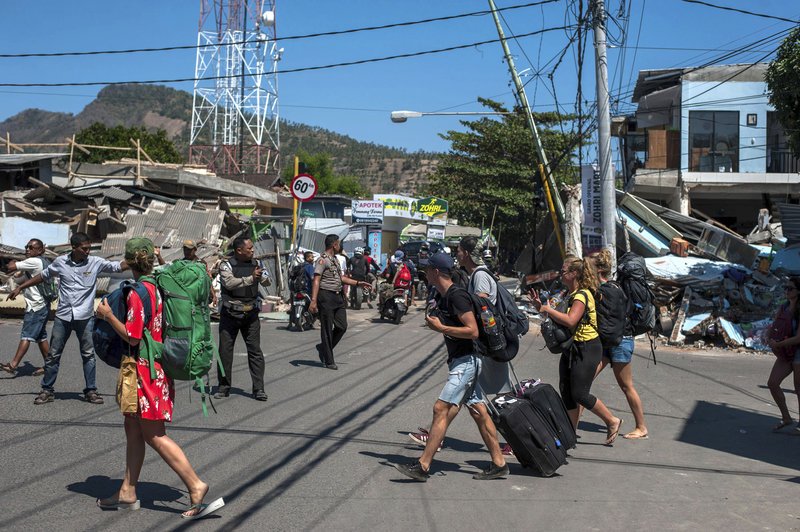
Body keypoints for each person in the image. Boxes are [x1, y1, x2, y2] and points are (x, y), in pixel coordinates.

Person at [95, 237, 224, 519]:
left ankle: (196, 485)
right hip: (154, 367)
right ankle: (128, 491)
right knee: (132, 428)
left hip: (145, 370)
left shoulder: (138, 291)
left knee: (153, 434)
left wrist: (106, 315)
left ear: (129, 262)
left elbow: (133, 333)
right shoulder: (159, 286)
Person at [394, 252, 508, 482]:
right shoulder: (445, 295)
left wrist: (441, 328)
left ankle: (423, 465)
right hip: (463, 360)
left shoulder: (457, 296)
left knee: (440, 409)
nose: (424, 273)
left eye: (427, 270)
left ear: (436, 272)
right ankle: (499, 463)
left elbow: (473, 331)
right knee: (479, 412)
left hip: (467, 362)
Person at [9, 232, 128, 406]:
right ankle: (47, 390)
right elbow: (42, 276)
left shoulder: (95, 262)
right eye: (84, 248)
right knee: (53, 355)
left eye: (89, 248)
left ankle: (91, 391)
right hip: (63, 317)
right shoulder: (60, 262)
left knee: (88, 355)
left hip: (85, 317)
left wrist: (138, 258)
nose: (88, 252)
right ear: (74, 247)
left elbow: (118, 266)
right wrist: (20, 287)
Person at [530, 255, 623, 445]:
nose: (561, 274)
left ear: (574, 274)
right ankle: (569, 434)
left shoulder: (581, 295)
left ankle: (612, 420)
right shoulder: (569, 294)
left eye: (564, 271)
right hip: (573, 347)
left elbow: (571, 320)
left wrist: (547, 310)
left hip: (587, 347)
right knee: (566, 391)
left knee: (580, 393)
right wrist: (541, 307)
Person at [591, 249, 649, 439]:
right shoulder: (609, 287)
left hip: (621, 340)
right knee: (583, 385)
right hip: (609, 340)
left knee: (626, 386)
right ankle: (571, 427)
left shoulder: (610, 289)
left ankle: (641, 427)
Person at [214, 236, 271, 401]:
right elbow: (229, 283)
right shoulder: (226, 265)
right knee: (225, 352)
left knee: (255, 352)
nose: (253, 251)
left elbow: (267, 283)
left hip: (251, 314)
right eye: (250, 248)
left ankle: (259, 389)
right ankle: (224, 387)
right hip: (230, 314)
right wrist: (251, 278)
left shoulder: (257, 264)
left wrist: (262, 277)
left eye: (253, 248)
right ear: (239, 250)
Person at [309, 234, 372, 370]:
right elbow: (316, 280)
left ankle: (323, 348)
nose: (340, 246)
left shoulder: (335, 260)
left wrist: (357, 283)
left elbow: (341, 278)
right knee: (326, 329)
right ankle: (329, 360)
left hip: (337, 297)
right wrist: (313, 300)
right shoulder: (322, 260)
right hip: (325, 296)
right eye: (339, 243)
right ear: (334, 245)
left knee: (342, 326)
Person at [0, 239, 52, 376]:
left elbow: (10, 267)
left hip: (36, 306)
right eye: (26, 247)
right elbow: (23, 277)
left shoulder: (34, 261)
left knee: (26, 335)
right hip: (43, 304)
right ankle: (50, 365)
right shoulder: (44, 261)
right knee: (41, 337)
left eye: (31, 247)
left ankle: (13, 365)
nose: (27, 250)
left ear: (40, 250)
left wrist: (8, 259)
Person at [766, 276, 800, 432]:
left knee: (798, 388)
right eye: (785, 288)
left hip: (798, 350)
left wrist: (778, 344)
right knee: (772, 383)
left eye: (790, 288)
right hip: (786, 351)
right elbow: (775, 326)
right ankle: (786, 417)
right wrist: (768, 335)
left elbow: (799, 338)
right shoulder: (784, 307)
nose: (786, 291)